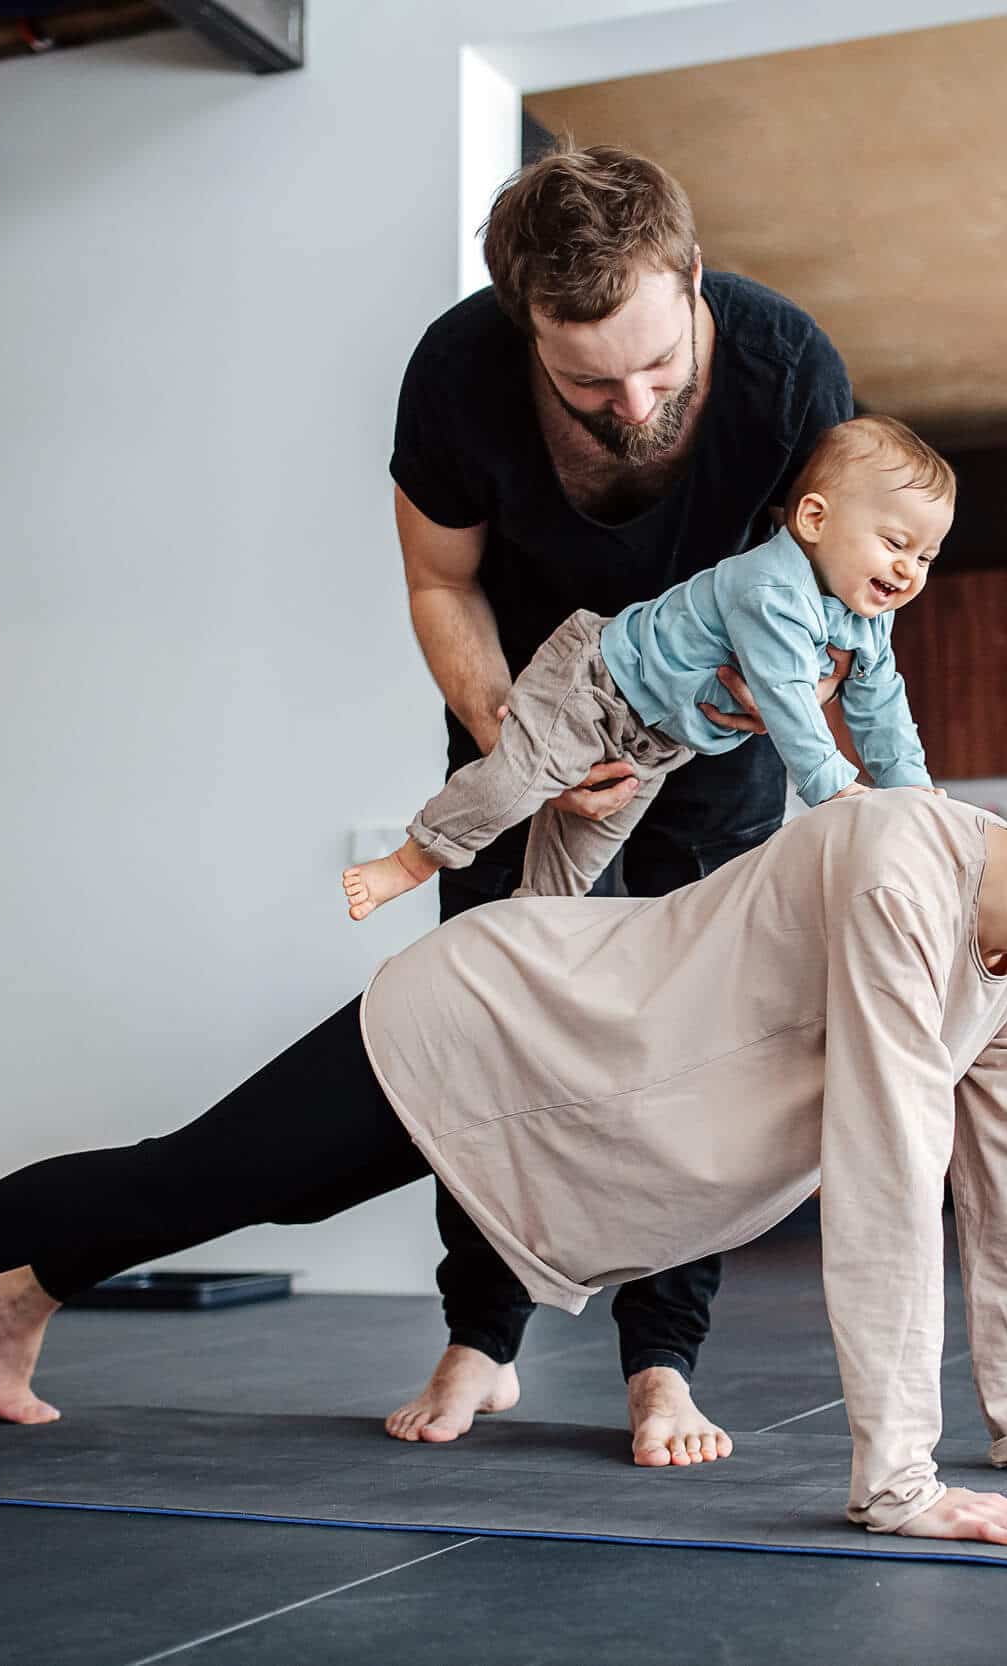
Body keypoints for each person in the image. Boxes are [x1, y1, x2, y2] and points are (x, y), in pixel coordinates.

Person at [0, 672, 1007, 1545]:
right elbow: (888, 1173)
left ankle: (26, 1286)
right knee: (204, 1180)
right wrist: (897, 1480)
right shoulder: (907, 863)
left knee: (263, 1193)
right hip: (506, 1019)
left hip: (589, 1105)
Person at [390, 142, 856, 1465]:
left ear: (693, 279)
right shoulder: (458, 374)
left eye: (660, 365)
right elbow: (441, 582)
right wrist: (514, 731)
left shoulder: (785, 370)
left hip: (718, 756)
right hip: (528, 739)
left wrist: (708, 720)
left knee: (693, 1054)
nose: (634, 401)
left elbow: (838, 611)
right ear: (522, 324)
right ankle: (482, 1335)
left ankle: (663, 1363)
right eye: (589, 380)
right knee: (487, 1030)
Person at [343, 414, 947, 919]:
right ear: (814, 519)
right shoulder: (768, 590)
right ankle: (410, 860)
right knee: (516, 783)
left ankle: (521, 933)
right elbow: (786, 696)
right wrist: (836, 790)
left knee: (575, 868)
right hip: (594, 685)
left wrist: (914, 797)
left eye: (925, 556)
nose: (908, 571)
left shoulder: (866, 620)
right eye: (895, 544)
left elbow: (882, 706)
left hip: (655, 742)